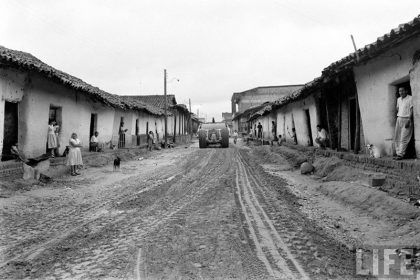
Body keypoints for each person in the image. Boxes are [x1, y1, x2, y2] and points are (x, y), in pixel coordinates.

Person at [394, 86, 413, 160]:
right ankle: (398, 153)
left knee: (404, 138)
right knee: (397, 137)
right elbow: (397, 108)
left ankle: (401, 154)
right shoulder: (398, 99)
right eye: (399, 91)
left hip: (407, 119)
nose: (400, 92)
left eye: (402, 91)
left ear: (406, 91)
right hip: (399, 119)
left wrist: (409, 119)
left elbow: (411, 109)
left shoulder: (410, 98)